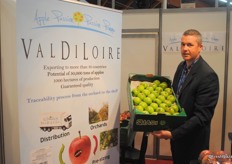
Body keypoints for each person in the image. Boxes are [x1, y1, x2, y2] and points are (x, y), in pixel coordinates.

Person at [152, 29, 219, 164]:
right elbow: (176, 98)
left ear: (200, 47)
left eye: (190, 45)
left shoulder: (208, 76)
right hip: (178, 139)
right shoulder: (181, 67)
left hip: (194, 142)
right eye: (182, 44)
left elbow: (202, 117)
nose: (185, 49)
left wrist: (173, 134)